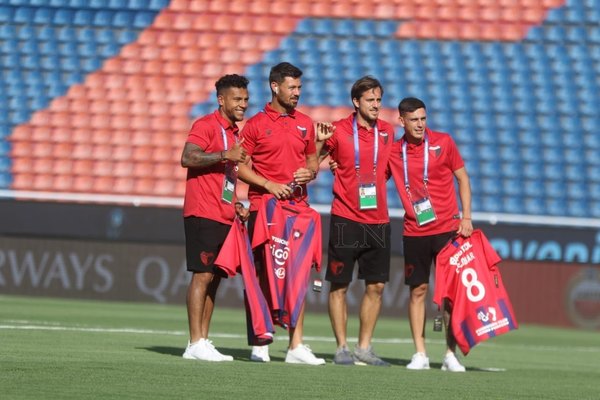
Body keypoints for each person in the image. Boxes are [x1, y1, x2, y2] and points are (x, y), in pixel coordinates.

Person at [237, 62, 324, 365]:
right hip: (265, 209)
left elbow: (313, 161)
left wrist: (308, 173)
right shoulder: (255, 125)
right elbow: (239, 165)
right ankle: (260, 342)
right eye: (292, 87)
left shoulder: (305, 123)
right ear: (275, 87)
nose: (297, 93)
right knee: (263, 275)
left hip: (298, 210)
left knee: (297, 276)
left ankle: (295, 345)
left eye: (299, 87)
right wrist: (268, 185)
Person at [387, 97, 473, 372]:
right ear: (402, 121)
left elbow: (463, 178)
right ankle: (420, 353)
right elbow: (373, 176)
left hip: (448, 229)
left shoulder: (443, 142)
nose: (420, 124)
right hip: (414, 231)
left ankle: (450, 354)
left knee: (450, 295)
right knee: (418, 290)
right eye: (414, 119)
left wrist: (467, 217)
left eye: (423, 118)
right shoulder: (393, 152)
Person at [315, 76, 394, 366]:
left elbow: (384, 171)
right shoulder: (336, 130)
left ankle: (364, 347)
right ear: (356, 102)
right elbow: (313, 163)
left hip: (379, 220)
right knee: (339, 284)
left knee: (377, 286)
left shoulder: (387, 132)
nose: (376, 105)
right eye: (370, 100)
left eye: (378, 100)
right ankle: (341, 347)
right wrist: (320, 150)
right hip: (345, 218)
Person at [180, 74, 250, 361]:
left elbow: (226, 178)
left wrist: (236, 203)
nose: (243, 104)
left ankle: (204, 341)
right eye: (237, 99)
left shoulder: (235, 133)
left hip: (224, 214)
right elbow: (188, 157)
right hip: (202, 212)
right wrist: (224, 154)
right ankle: (194, 342)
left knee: (215, 280)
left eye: (245, 99)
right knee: (203, 275)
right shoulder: (205, 125)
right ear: (221, 100)